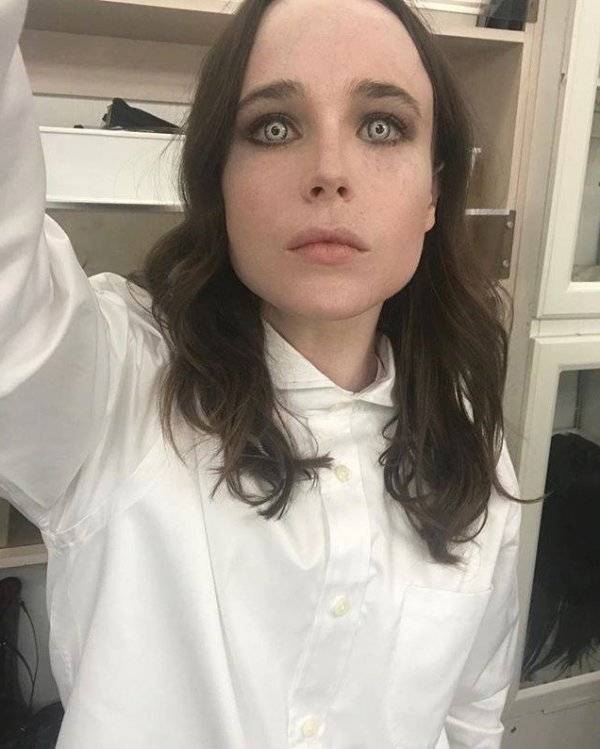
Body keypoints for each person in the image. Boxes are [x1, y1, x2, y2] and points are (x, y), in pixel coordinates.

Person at [0, 0, 531, 746]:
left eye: (382, 126)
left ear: (434, 194)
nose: (329, 172)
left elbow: (469, 717)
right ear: (218, 181)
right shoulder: (116, 385)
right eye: (274, 128)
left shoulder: (469, 437)